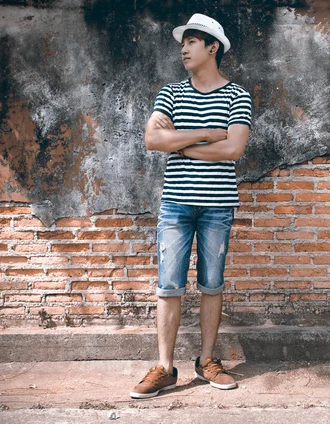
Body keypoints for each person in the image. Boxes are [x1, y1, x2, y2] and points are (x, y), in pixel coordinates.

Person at [130, 13, 252, 399]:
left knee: (212, 284)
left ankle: (206, 361)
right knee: (168, 285)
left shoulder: (237, 95)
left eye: (192, 42)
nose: (183, 49)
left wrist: (178, 141)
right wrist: (204, 134)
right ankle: (165, 368)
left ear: (212, 47)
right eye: (182, 43)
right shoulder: (171, 93)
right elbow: (152, 139)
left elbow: (234, 149)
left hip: (217, 206)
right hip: (176, 205)